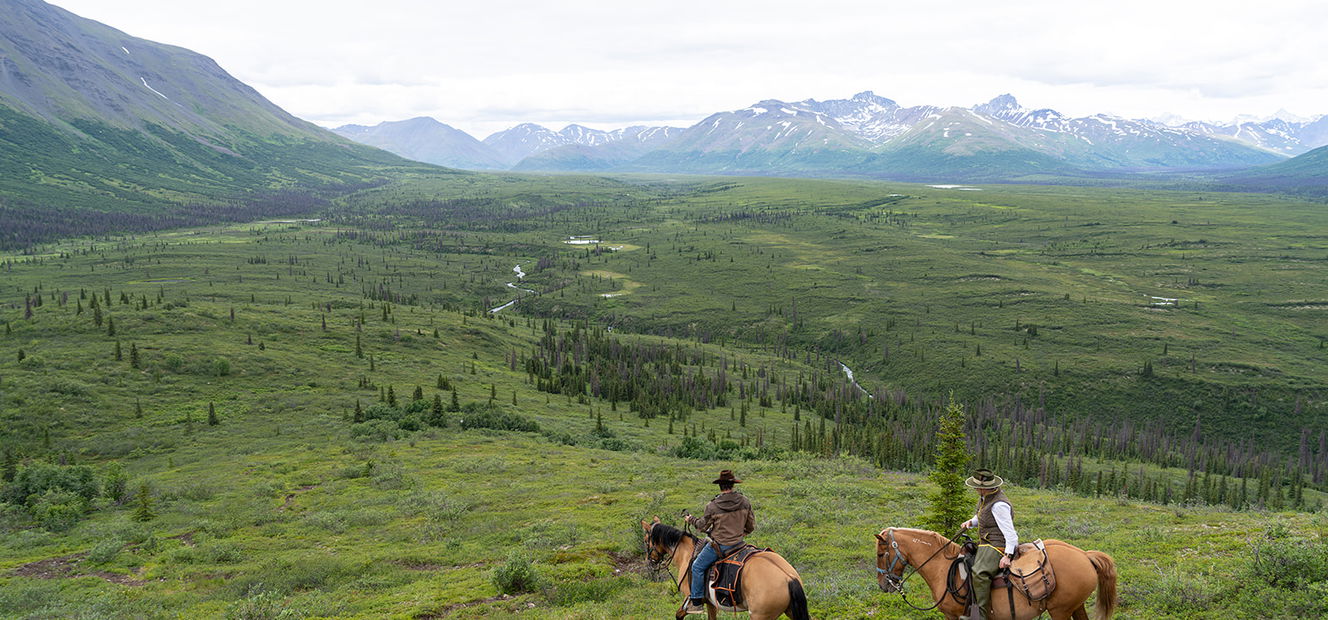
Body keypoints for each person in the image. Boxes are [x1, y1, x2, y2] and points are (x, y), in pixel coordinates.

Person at [680, 469, 755, 615]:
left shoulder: (713, 506)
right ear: (733, 485)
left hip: (720, 546)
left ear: (720, 486)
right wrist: (740, 533)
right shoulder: (745, 501)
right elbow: (751, 526)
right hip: (740, 545)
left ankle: (696, 602)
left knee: (697, 567)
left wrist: (691, 519)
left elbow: (702, 526)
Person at [960, 468, 1018, 620]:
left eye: (976, 487)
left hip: (997, 545)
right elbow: (984, 515)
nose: (974, 489)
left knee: (979, 573)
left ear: (982, 488)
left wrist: (1007, 555)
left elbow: (1011, 534)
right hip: (987, 542)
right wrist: (971, 522)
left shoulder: (999, 505)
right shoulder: (987, 498)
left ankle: (981, 616)